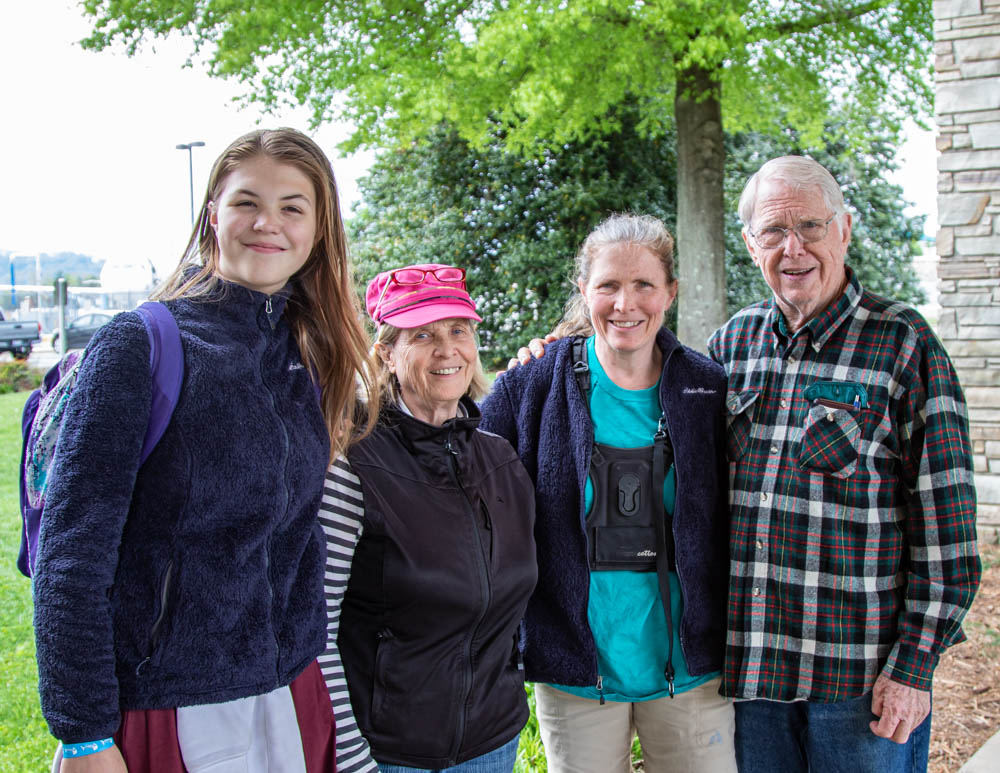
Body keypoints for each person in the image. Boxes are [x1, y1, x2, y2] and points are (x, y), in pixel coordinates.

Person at [32, 127, 378, 773]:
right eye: (247, 201)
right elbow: (71, 556)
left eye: (292, 206)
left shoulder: (306, 356)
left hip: (290, 695)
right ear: (212, 212)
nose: (266, 223)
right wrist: (83, 733)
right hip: (169, 705)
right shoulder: (140, 343)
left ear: (319, 229)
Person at [707, 155, 982, 772]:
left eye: (810, 226)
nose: (793, 247)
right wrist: (558, 356)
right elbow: (646, 402)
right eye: (774, 231)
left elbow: (948, 531)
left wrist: (913, 668)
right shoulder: (731, 345)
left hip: (859, 683)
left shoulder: (905, 344)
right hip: (754, 676)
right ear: (752, 245)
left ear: (845, 230)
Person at [480, 214, 736, 773]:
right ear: (584, 291)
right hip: (578, 667)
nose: (626, 303)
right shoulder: (535, 383)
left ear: (671, 292)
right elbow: (462, 467)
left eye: (644, 284)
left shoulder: (704, 387)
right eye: (609, 286)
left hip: (689, 667)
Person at [317, 263, 538, 773]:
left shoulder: (501, 460)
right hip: (391, 754)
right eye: (422, 335)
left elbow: (514, 599)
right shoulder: (351, 461)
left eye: (458, 330)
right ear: (386, 354)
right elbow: (318, 633)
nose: (447, 349)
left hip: (494, 742)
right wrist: (351, 759)